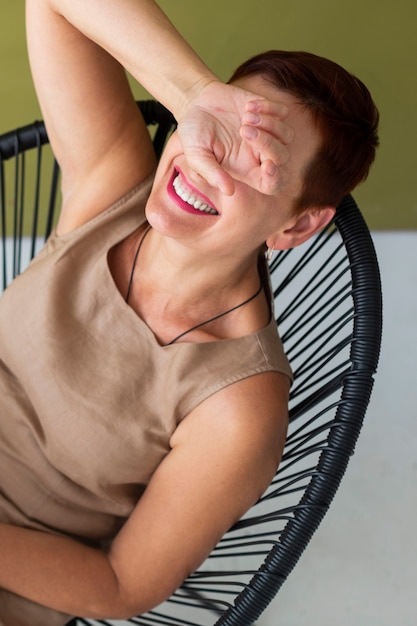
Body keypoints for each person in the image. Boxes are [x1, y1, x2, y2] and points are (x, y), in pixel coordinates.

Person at [0, 0, 379, 624]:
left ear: (298, 224)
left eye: (255, 164)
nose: (206, 165)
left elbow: (123, 584)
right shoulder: (114, 183)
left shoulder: (236, 407)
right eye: (216, 130)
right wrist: (197, 92)